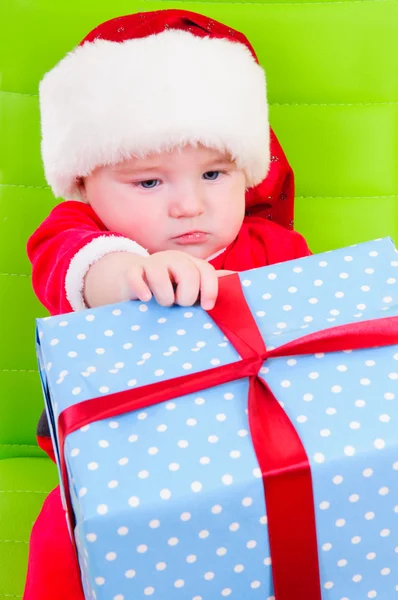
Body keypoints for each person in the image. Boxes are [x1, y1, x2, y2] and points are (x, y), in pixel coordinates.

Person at [24, 9, 311, 599]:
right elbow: (73, 268)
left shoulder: (273, 245)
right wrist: (133, 274)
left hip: (253, 446)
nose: (190, 206)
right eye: (149, 182)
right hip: (117, 454)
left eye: (214, 173)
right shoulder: (80, 233)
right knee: (64, 533)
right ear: (83, 183)